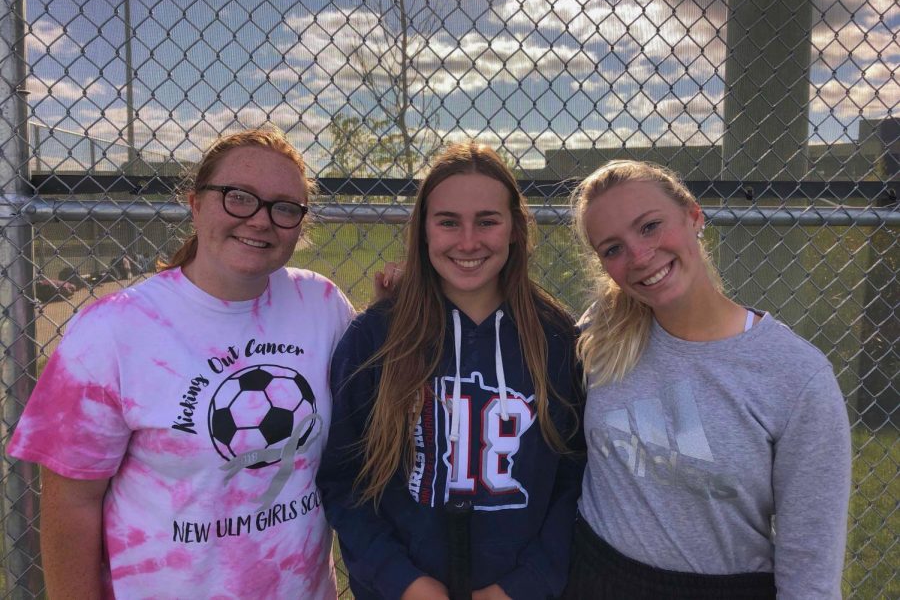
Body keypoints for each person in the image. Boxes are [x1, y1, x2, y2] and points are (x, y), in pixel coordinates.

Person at [7, 128, 355, 599]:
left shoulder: (321, 303)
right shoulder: (114, 330)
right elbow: (71, 504)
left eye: (285, 207)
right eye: (238, 198)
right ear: (195, 203)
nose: (260, 220)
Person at [565, 159, 851, 599]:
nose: (640, 256)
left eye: (650, 227)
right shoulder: (602, 333)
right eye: (613, 249)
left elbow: (811, 573)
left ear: (694, 216)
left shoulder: (796, 377)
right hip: (595, 577)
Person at [318, 142, 583, 600]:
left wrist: (524, 585)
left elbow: (574, 483)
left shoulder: (555, 340)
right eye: (447, 222)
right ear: (423, 230)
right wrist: (404, 583)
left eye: (487, 220)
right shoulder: (376, 337)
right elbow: (345, 480)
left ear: (515, 229)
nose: (467, 242)